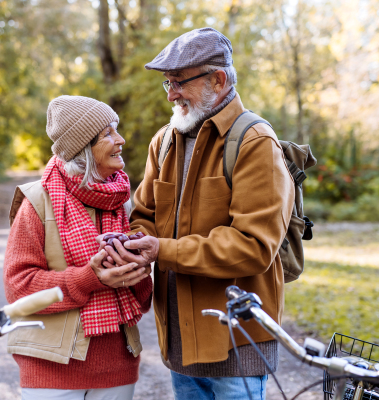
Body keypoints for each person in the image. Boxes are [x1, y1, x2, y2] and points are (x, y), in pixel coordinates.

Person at [97, 28, 294, 399]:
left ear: (217, 80)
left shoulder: (255, 142)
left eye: (178, 82)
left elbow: (253, 246)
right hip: (180, 344)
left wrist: (162, 250)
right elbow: (144, 213)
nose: (171, 94)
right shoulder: (165, 140)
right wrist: (134, 241)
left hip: (236, 345)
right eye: (167, 83)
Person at [3, 95, 153, 400]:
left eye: (117, 130)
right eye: (108, 133)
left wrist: (136, 271)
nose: (120, 140)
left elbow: (141, 298)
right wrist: (90, 279)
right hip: (52, 368)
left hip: (116, 366)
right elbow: (20, 289)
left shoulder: (121, 200)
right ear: (82, 149)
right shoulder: (36, 203)